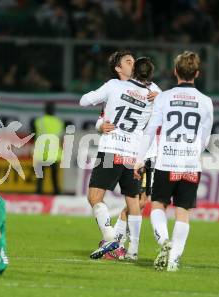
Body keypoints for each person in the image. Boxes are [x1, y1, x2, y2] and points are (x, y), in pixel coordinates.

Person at [134, 51, 214, 271]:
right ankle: (174, 260)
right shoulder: (206, 102)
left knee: (158, 204)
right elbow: (205, 139)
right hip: (190, 164)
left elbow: (150, 131)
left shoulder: (164, 97)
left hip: (166, 162)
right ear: (197, 73)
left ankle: (164, 242)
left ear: (175, 71)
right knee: (183, 211)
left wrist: (139, 158)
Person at [79, 51, 156, 259]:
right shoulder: (152, 91)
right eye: (128, 61)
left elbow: (84, 101)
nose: (133, 63)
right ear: (118, 68)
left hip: (112, 149)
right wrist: (99, 124)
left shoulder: (113, 86)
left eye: (134, 61)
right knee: (133, 201)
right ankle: (131, 251)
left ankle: (111, 237)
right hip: (133, 155)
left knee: (95, 197)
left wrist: (100, 120)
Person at [33, 102, 64, 195]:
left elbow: (35, 134)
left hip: (41, 152)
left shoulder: (39, 121)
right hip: (54, 153)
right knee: (54, 177)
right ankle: (57, 194)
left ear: (45, 110)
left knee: (40, 177)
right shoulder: (59, 122)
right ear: (54, 111)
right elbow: (60, 138)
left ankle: (38, 194)